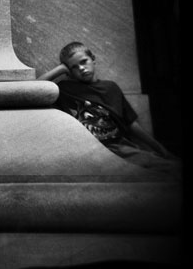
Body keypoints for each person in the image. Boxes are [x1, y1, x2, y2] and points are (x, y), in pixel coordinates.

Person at [37, 41, 180, 180]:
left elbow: (131, 124)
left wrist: (158, 147)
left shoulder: (111, 88)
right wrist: (60, 69)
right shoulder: (65, 89)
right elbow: (35, 89)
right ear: (69, 72)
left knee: (170, 168)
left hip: (119, 147)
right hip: (90, 151)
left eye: (83, 61)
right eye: (74, 67)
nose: (81, 68)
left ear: (93, 60)